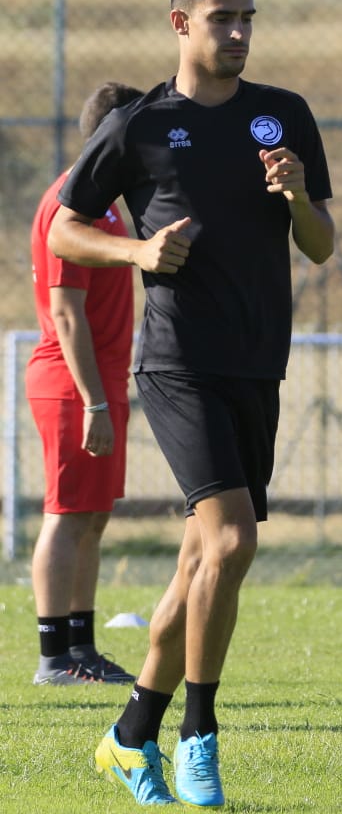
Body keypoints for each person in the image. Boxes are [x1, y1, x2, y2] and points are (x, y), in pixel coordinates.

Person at [48, 0, 335, 805]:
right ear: (182, 23)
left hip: (257, 363)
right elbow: (64, 228)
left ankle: (129, 735)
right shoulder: (139, 124)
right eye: (223, 18)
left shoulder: (283, 117)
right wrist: (136, 248)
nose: (240, 31)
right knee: (235, 540)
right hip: (177, 362)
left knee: (198, 563)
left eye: (249, 16)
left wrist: (295, 198)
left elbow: (320, 244)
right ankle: (198, 735)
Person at [27, 81, 144, 688]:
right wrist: (95, 400)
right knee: (66, 514)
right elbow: (67, 312)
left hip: (99, 381)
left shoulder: (104, 202)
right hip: (75, 383)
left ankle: (81, 648)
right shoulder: (73, 204)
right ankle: (54, 657)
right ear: (111, 135)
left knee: (92, 517)